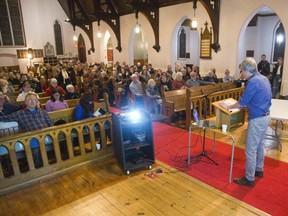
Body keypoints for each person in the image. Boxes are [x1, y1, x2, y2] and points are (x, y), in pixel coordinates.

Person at [228, 58, 271, 187]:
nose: (242, 74)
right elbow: (258, 99)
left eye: (242, 71)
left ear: (247, 70)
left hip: (257, 119)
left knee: (250, 149)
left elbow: (242, 102)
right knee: (260, 145)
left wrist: (228, 107)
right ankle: (259, 170)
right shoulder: (264, 79)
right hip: (266, 116)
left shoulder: (253, 82)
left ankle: (249, 178)